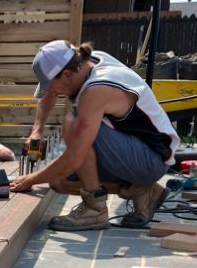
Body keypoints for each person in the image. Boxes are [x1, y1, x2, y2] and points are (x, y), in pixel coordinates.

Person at [10, 40, 180, 231]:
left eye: (52, 84)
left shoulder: (97, 90)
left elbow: (74, 158)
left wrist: (30, 180)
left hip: (151, 159)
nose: (53, 90)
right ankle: (142, 191)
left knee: (73, 124)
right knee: (58, 182)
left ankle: (95, 209)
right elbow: (50, 93)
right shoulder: (86, 62)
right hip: (132, 148)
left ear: (66, 74)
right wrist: (37, 130)